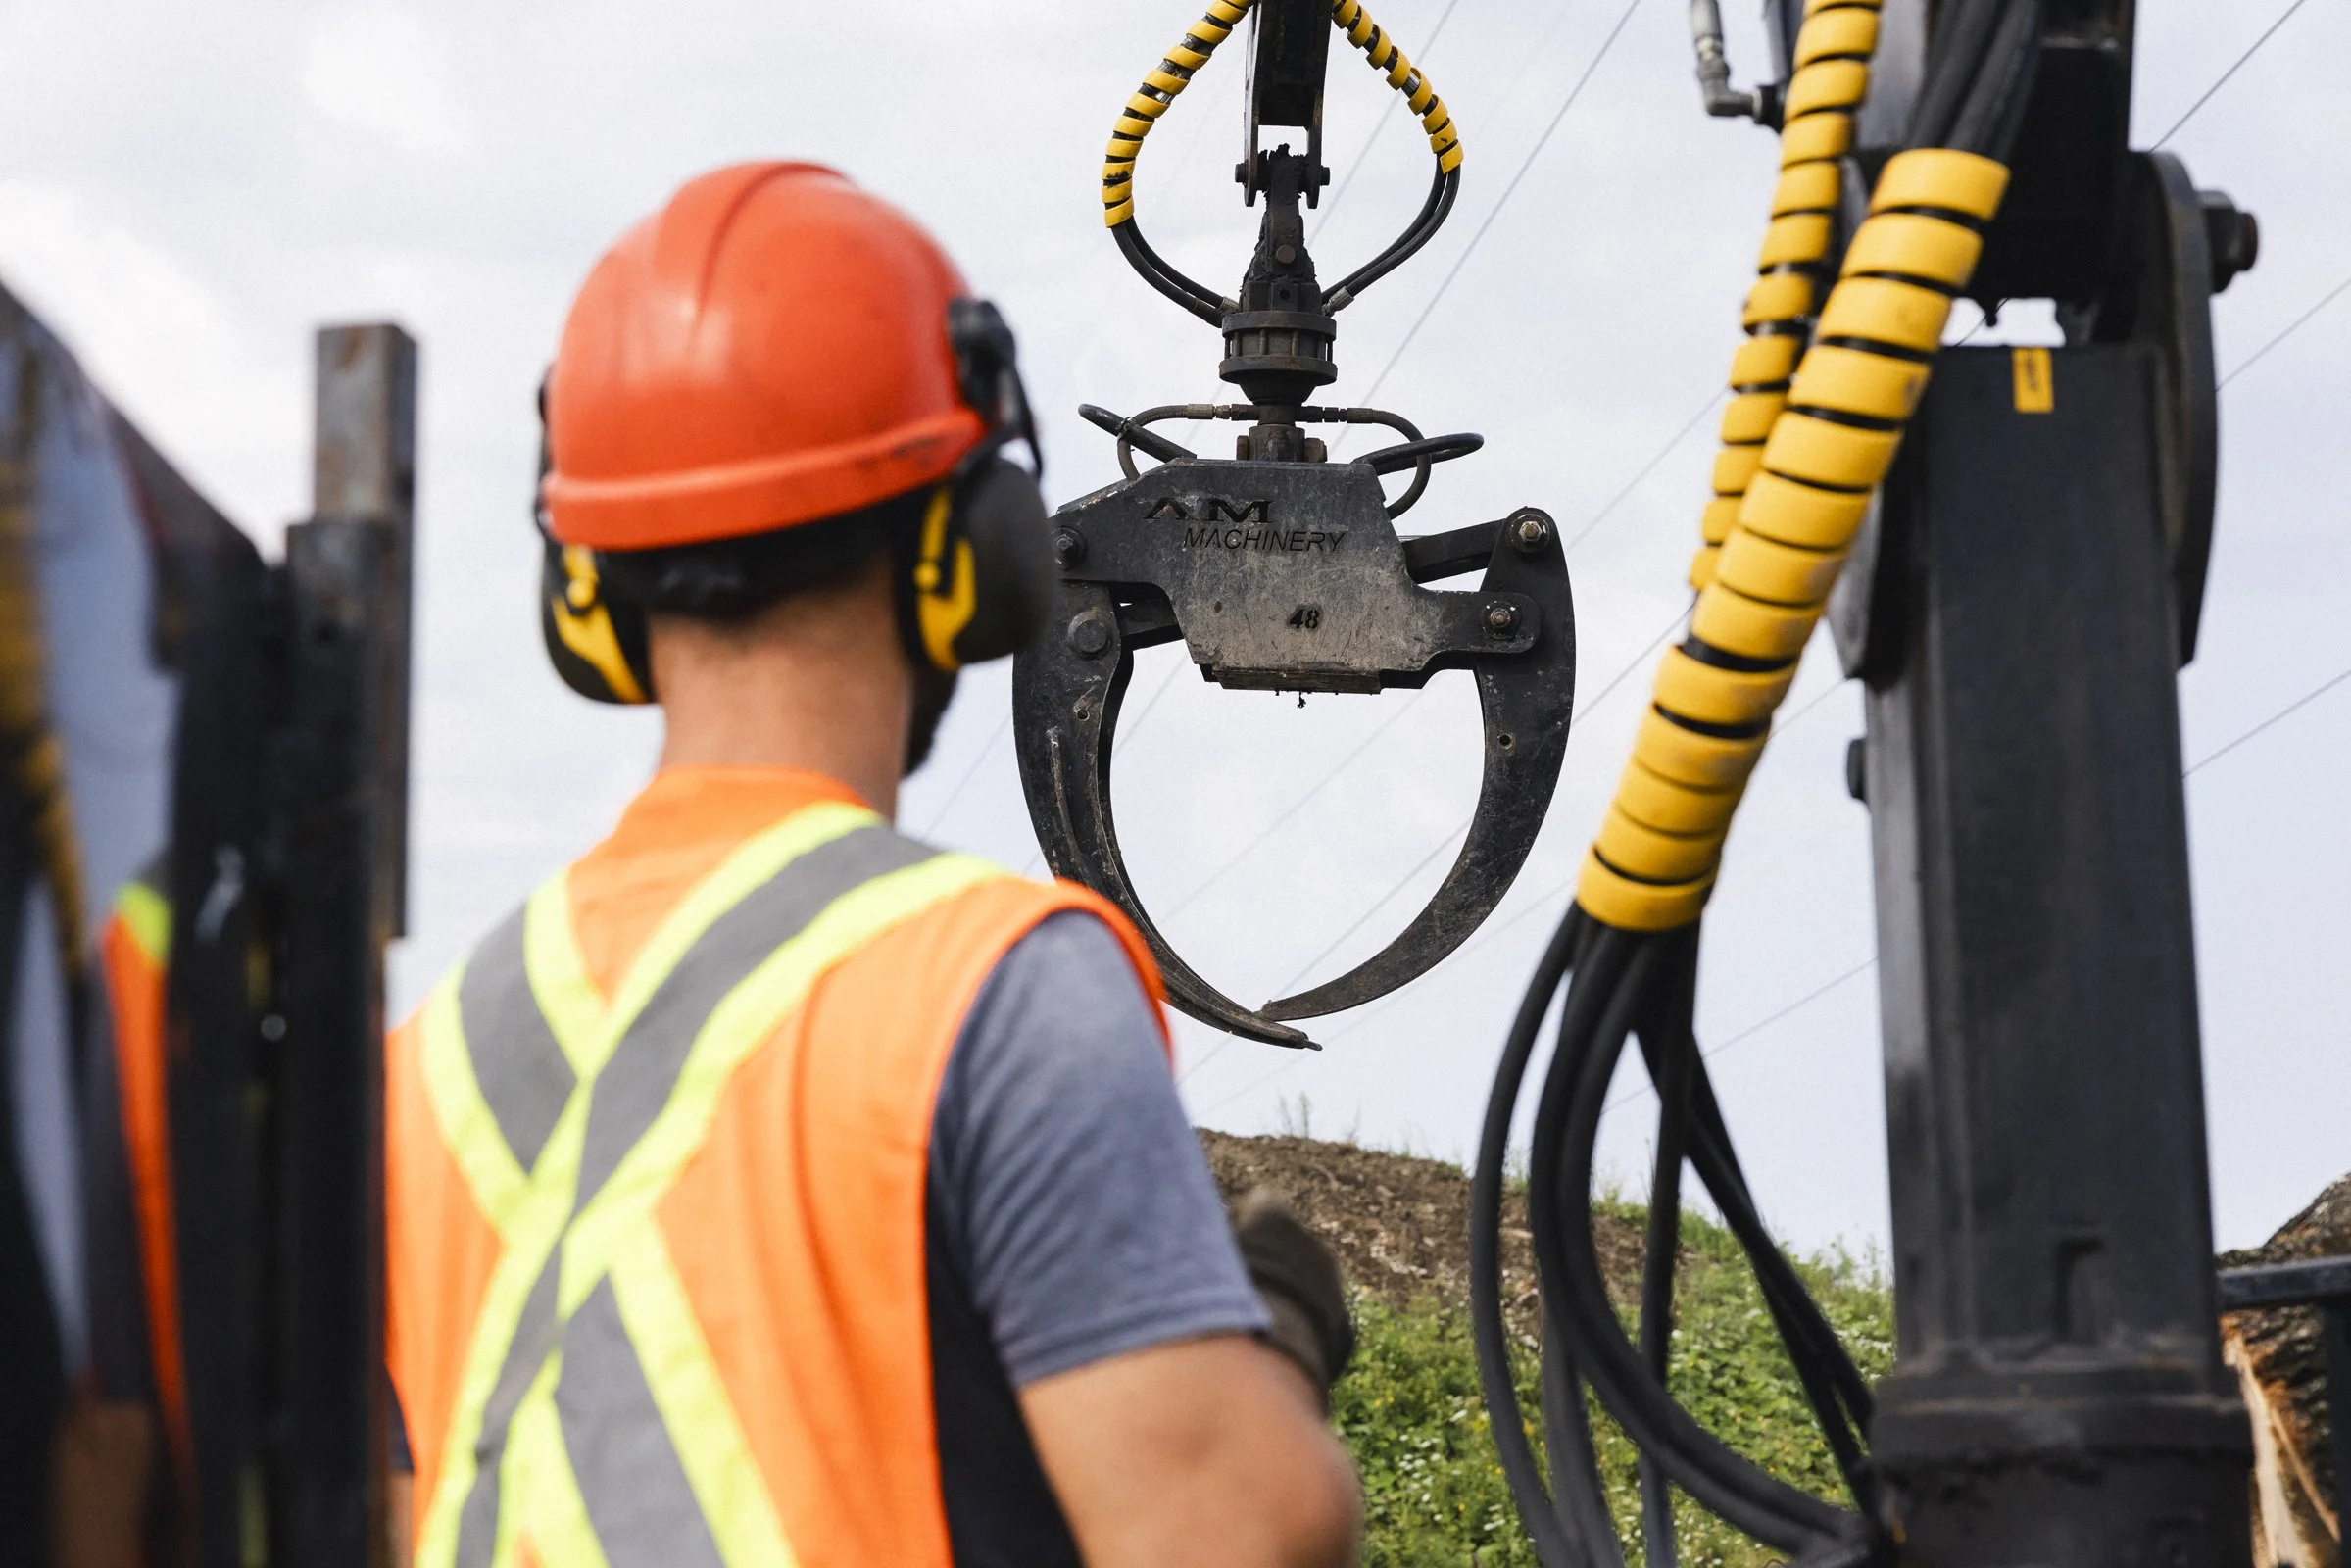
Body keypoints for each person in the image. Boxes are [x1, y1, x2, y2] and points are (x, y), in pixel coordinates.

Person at [382, 161, 1363, 1568]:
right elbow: (1237, 1534)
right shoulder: (996, 990)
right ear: (975, 551)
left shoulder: (427, 1064)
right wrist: (1269, 1329)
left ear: (584, 593)